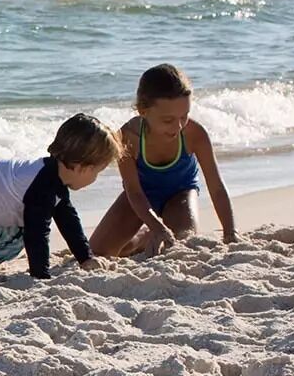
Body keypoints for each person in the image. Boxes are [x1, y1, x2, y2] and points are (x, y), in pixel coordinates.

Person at [0, 113, 118, 290]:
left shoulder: (47, 172)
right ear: (81, 167)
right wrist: (41, 276)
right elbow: (36, 235)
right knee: (14, 239)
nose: (95, 179)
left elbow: (67, 219)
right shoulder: (42, 189)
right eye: (97, 172)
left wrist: (85, 257)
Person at [88, 63, 239, 256]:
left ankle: (158, 230)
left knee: (180, 242)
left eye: (184, 116)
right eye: (168, 120)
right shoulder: (128, 138)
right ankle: (145, 235)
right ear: (143, 111)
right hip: (141, 196)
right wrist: (157, 227)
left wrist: (230, 232)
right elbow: (134, 192)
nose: (178, 126)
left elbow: (217, 187)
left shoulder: (195, 134)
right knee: (100, 252)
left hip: (180, 194)